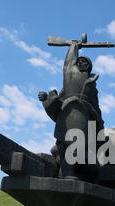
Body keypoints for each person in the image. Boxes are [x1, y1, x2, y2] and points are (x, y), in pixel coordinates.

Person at [38, 40, 104, 179]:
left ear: (89, 68)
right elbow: (68, 62)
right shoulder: (69, 77)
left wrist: (99, 124)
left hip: (82, 113)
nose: (81, 63)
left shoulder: (92, 86)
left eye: (85, 62)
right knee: (64, 142)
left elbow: (96, 107)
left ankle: (68, 169)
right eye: (79, 61)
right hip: (67, 111)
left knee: (77, 143)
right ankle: (64, 168)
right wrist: (74, 46)